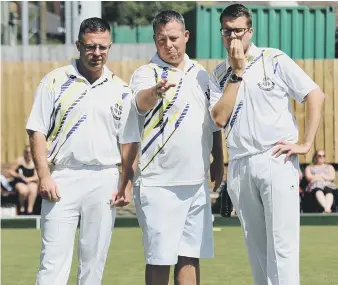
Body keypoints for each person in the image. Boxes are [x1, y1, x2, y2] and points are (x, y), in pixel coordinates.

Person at [209, 4, 325, 285]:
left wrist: (306, 144)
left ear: (250, 31)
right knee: (257, 250)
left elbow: (315, 95)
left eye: (238, 31)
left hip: (275, 157)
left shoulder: (273, 59)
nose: (233, 37)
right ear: (221, 33)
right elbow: (218, 118)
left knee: (281, 247)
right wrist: (236, 72)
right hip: (239, 164)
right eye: (227, 31)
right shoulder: (218, 74)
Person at [26, 18, 140, 285]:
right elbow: (36, 131)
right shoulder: (54, 81)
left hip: (104, 179)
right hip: (62, 177)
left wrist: (127, 182)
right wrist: (44, 177)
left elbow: (129, 142)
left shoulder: (121, 90)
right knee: (52, 263)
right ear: (78, 45)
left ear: (109, 47)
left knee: (93, 265)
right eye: (90, 47)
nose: (97, 53)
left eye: (102, 47)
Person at [130, 10, 224, 285]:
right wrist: (155, 92)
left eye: (173, 38)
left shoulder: (203, 75)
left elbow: (213, 122)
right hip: (158, 182)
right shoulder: (146, 73)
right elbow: (140, 102)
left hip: (195, 182)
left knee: (189, 256)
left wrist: (218, 158)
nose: (168, 45)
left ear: (186, 36)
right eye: (161, 40)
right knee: (159, 258)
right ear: (155, 40)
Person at [7, 145, 38, 215]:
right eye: (26, 152)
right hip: (19, 181)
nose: (28, 154)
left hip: (30, 181)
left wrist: (29, 179)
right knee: (24, 190)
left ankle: (30, 210)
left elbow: (36, 176)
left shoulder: (35, 161)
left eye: (30, 152)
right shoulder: (19, 160)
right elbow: (11, 171)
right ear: (24, 152)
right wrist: (18, 176)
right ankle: (22, 208)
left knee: (33, 188)